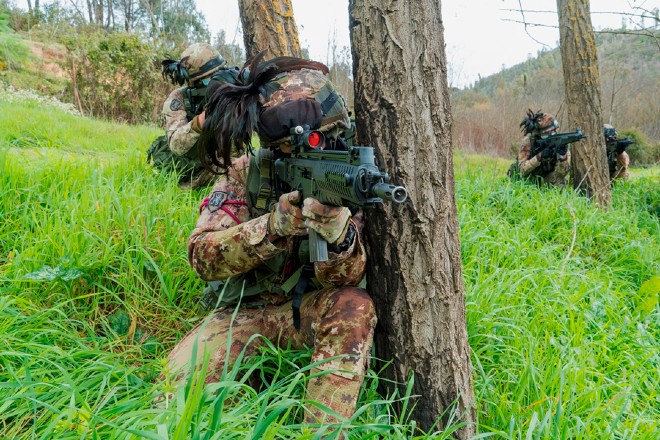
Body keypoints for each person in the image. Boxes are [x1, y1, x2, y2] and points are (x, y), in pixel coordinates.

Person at [162, 52, 376, 424]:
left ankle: (320, 430)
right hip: (241, 313)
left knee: (353, 306)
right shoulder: (247, 173)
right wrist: (270, 228)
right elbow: (202, 256)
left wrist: (339, 235)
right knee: (174, 394)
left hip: (308, 312)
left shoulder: (348, 178)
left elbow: (344, 283)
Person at [156, 42, 228, 189]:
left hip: (225, 164)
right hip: (194, 170)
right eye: (210, 79)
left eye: (221, 73)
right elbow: (176, 145)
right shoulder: (179, 99)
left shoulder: (230, 93)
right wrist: (201, 121)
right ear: (193, 83)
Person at [510, 109, 571, 186]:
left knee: (561, 183)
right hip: (530, 179)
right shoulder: (528, 142)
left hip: (548, 179)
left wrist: (563, 157)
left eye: (554, 130)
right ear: (540, 133)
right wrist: (539, 156)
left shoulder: (558, 141)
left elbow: (561, 174)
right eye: (548, 132)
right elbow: (522, 170)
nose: (553, 134)